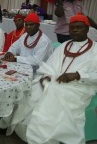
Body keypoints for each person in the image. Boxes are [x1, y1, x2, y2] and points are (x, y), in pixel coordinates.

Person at [26, 13, 97, 143]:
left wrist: (78, 75)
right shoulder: (65, 45)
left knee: (53, 94)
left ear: (87, 29)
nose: (75, 30)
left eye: (79, 27)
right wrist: (47, 76)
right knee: (34, 89)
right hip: (56, 81)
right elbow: (49, 66)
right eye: (72, 27)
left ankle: (47, 137)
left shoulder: (95, 50)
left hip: (80, 86)